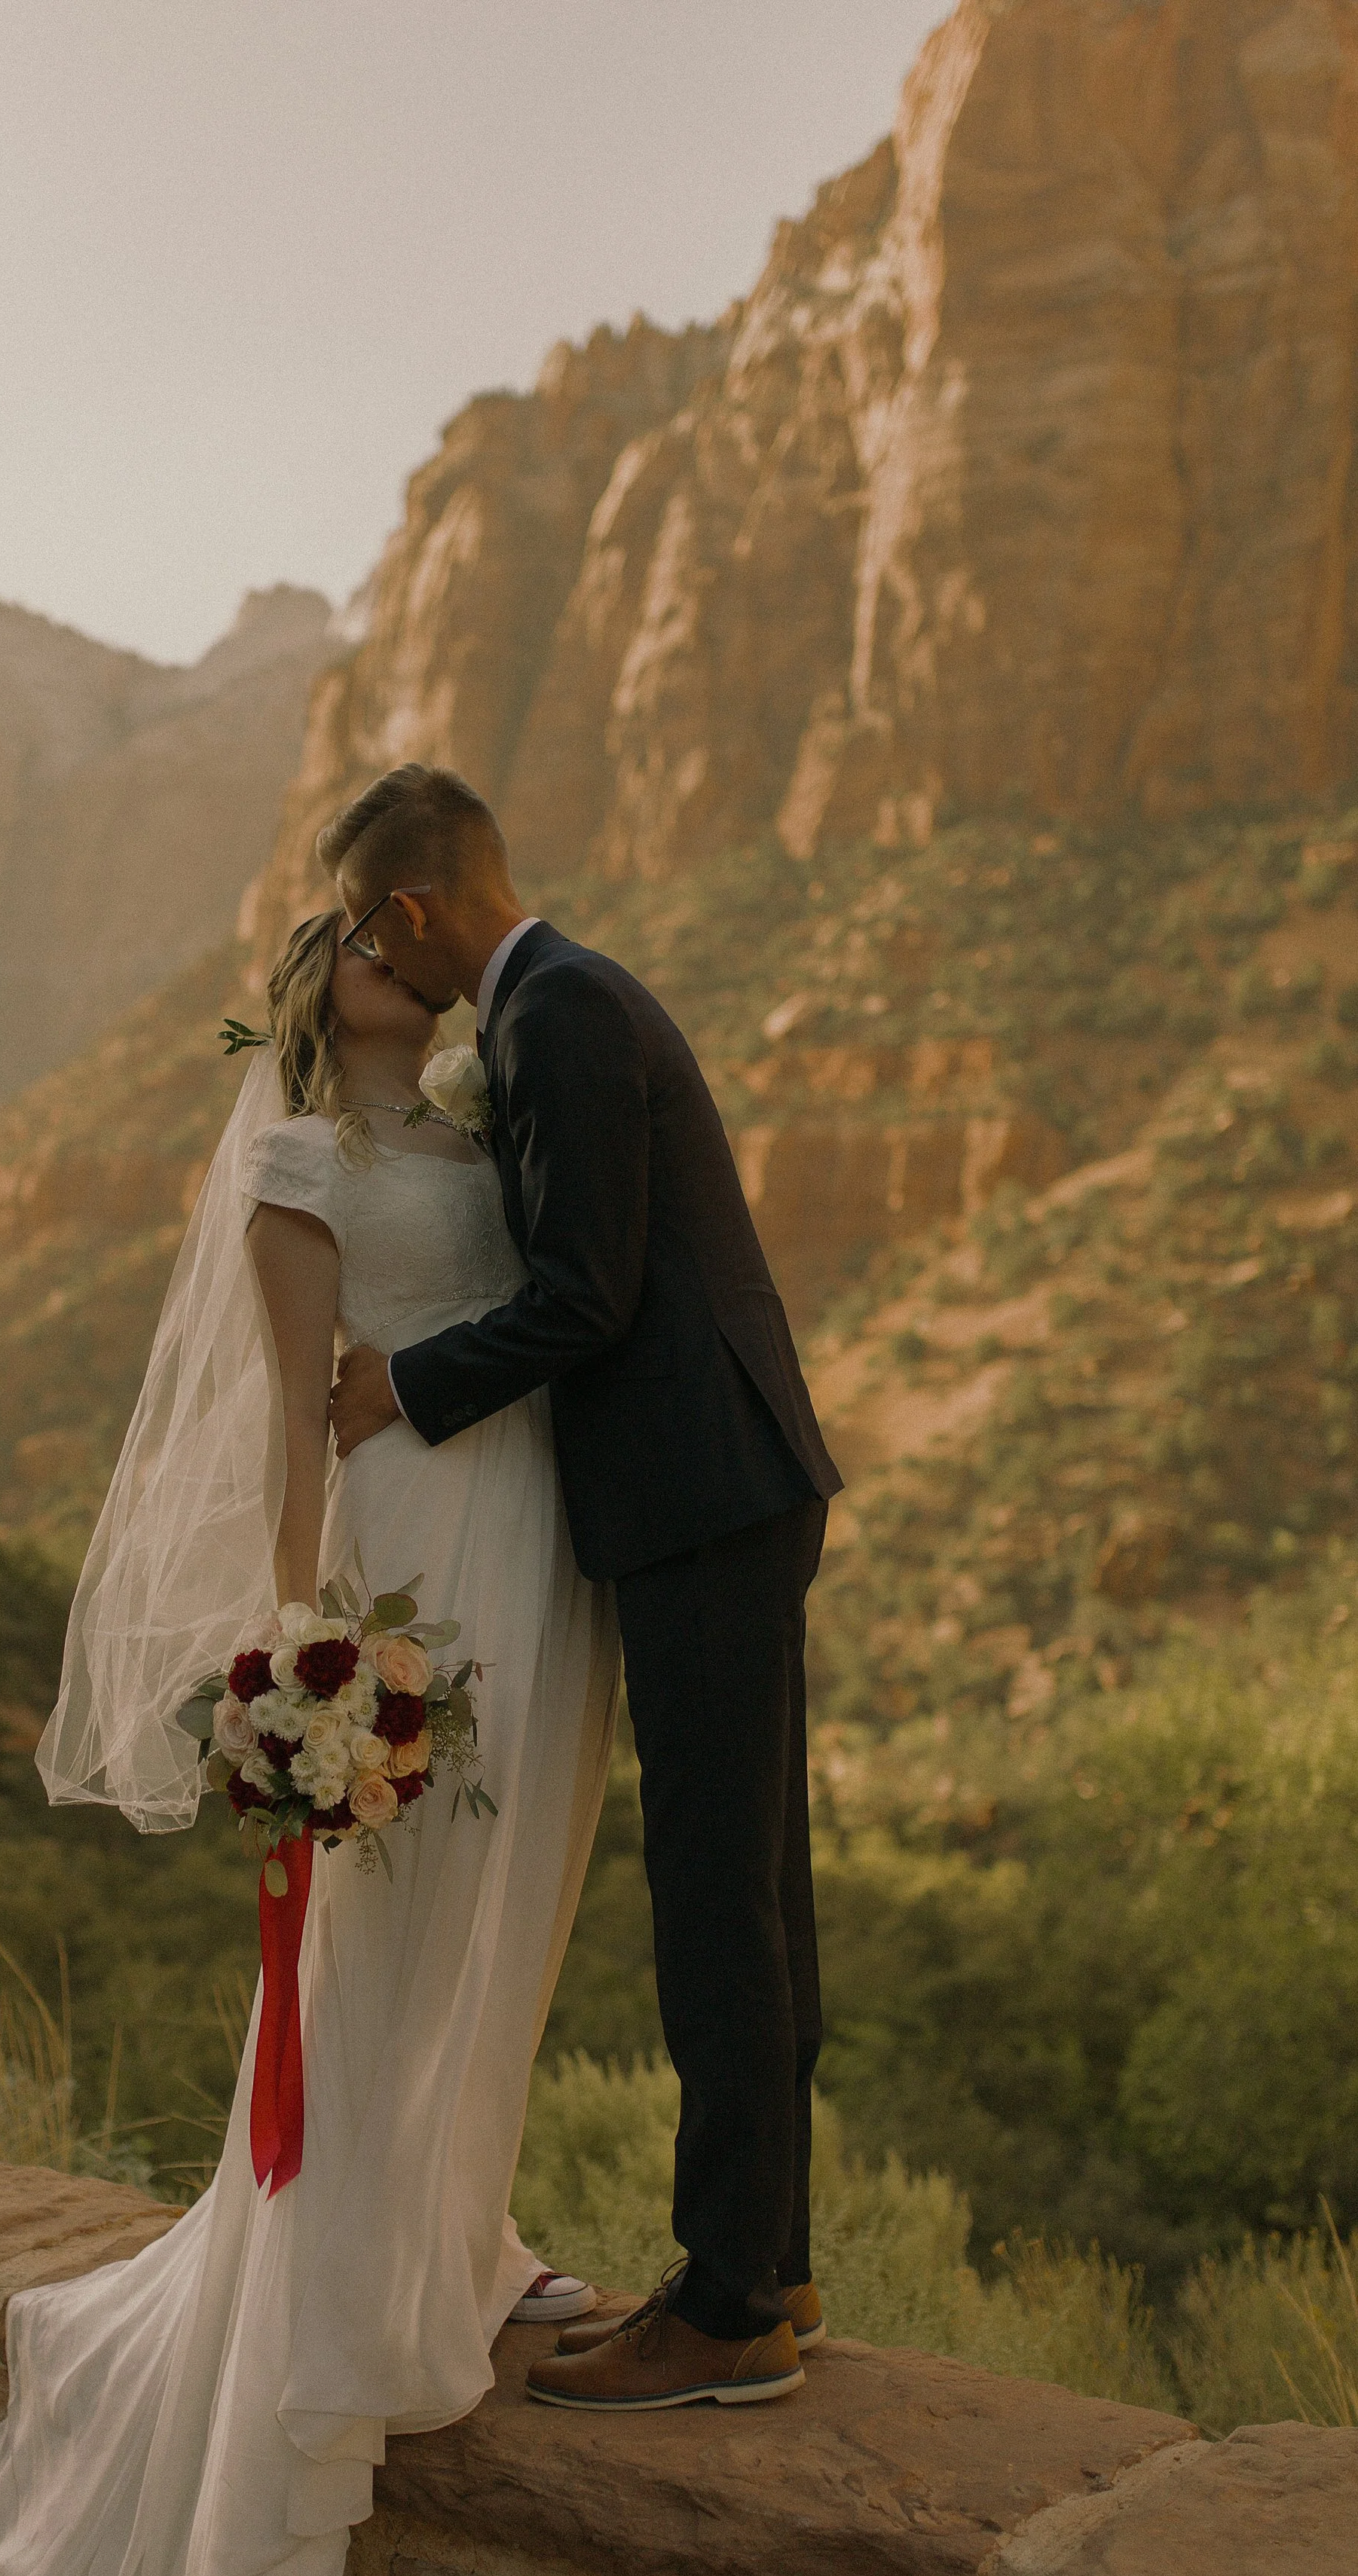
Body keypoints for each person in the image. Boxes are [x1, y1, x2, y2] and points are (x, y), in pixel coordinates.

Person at [0, 904, 619, 2576]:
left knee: (500, 1903)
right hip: (405, 1560)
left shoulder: (487, 1124)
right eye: (346, 940)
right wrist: (305, 1644)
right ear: (311, 990)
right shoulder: (294, 1161)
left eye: (401, 932)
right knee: (382, 1919)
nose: (383, 952)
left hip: (532, 1543)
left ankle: (454, 2233)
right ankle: (337, 2293)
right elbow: (290, 1419)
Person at [325, 764, 843, 2415]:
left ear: (406, 912)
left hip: (696, 1495)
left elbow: (585, 1299)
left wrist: (397, 1385)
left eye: (359, 925)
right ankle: (775, 2261)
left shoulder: (544, 1017)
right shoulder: (568, 992)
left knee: (715, 1902)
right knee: (755, 1886)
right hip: (726, 1487)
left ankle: (727, 2307)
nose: (362, 956)